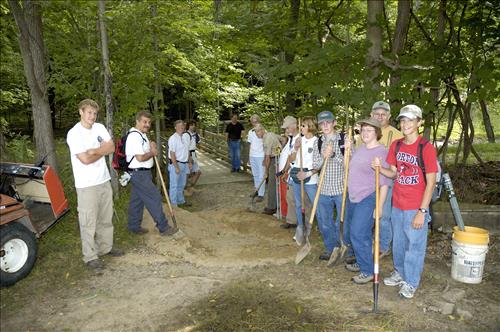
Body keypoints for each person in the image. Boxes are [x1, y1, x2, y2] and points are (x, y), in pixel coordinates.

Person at [374, 104, 438, 299]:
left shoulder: (426, 148)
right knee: (399, 244)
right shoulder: (397, 145)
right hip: (397, 204)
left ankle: (411, 281)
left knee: (414, 246)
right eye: (403, 120)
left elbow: (431, 183)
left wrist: (422, 210)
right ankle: (400, 272)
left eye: (410, 120)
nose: (405, 124)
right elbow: (393, 173)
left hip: (415, 206)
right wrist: (379, 168)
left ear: (419, 122)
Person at [66, 99, 123, 272]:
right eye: (89, 112)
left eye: (94, 113)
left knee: (105, 218)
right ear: (81, 112)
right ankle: (90, 256)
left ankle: (106, 247)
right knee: (88, 221)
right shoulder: (74, 133)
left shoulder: (99, 128)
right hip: (86, 185)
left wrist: (94, 151)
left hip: (103, 180)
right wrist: (100, 150)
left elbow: (111, 147)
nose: (92, 116)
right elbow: (84, 160)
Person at [343, 118, 389, 284]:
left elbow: (385, 183)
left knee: (358, 232)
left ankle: (368, 271)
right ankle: (363, 261)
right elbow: (348, 168)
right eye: (363, 130)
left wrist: (380, 206)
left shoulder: (381, 151)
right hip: (353, 196)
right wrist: (348, 151)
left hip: (368, 197)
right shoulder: (361, 149)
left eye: (369, 130)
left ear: (377, 132)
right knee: (353, 232)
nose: (365, 133)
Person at [126, 111, 178, 236]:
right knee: (154, 197)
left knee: (137, 200)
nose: (147, 124)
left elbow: (145, 149)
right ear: (137, 121)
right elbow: (140, 158)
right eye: (144, 122)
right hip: (139, 174)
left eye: (149, 122)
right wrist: (153, 153)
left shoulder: (142, 135)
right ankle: (163, 227)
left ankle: (133, 226)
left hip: (141, 173)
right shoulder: (134, 136)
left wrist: (152, 145)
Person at [370, 101, 403, 258]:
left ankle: (383, 245)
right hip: (367, 181)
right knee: (368, 213)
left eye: (383, 114)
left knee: (383, 215)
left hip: (387, 181)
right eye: (377, 114)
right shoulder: (366, 132)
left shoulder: (397, 135)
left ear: (389, 116)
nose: (380, 117)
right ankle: (371, 241)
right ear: (371, 115)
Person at [312, 111, 345, 261]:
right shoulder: (318, 142)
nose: (325, 125)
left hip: (340, 188)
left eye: (328, 122)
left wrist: (333, 155)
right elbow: (315, 165)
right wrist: (323, 158)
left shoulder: (344, 140)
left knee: (341, 222)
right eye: (322, 123)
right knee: (325, 222)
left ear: (334, 123)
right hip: (323, 188)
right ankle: (330, 248)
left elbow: (349, 164)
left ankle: (344, 247)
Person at [289, 117, 320, 245]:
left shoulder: (316, 142)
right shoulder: (298, 140)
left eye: (303, 126)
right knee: (298, 204)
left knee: (316, 203)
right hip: (297, 174)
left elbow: (318, 164)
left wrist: (307, 173)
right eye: (300, 126)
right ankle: (300, 227)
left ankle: (319, 226)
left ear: (310, 127)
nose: (300, 128)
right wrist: (296, 149)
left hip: (310, 177)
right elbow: (291, 159)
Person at [254, 124, 283, 215]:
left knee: (271, 184)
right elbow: (283, 139)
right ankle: (275, 205)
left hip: (275, 160)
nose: (256, 133)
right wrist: (280, 148)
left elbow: (267, 158)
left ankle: (271, 207)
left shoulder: (267, 139)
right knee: (274, 183)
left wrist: (266, 171)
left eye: (258, 131)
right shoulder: (270, 134)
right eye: (255, 131)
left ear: (263, 130)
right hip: (277, 157)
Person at [279, 116, 299, 229]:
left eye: (287, 127)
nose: (286, 130)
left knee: (296, 198)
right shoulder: (291, 139)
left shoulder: (298, 139)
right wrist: (284, 171)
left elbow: (293, 157)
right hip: (288, 172)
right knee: (290, 198)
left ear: (293, 125)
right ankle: (291, 220)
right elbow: (288, 156)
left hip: (295, 172)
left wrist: (286, 170)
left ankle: (299, 221)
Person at [168, 120, 192, 207]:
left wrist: (189, 162)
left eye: (182, 126)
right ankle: (174, 205)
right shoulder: (173, 138)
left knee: (182, 184)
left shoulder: (185, 137)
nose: (181, 127)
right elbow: (172, 153)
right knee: (174, 185)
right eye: (179, 126)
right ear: (175, 127)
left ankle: (181, 200)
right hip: (175, 164)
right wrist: (176, 167)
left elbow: (187, 151)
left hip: (184, 164)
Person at [247, 114, 265, 202]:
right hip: (252, 155)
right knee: (255, 175)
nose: (254, 123)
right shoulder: (250, 132)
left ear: (259, 121)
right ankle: (257, 190)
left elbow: (266, 145)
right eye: (253, 122)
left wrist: (266, 157)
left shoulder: (263, 131)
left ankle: (261, 194)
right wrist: (249, 157)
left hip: (261, 156)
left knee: (261, 175)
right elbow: (250, 144)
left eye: (256, 121)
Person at [185, 120, 202, 193]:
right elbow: (185, 147)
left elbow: (198, 144)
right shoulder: (186, 135)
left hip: (193, 154)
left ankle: (191, 187)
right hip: (188, 154)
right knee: (187, 173)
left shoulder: (195, 135)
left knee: (198, 172)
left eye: (194, 125)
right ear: (188, 126)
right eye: (191, 125)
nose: (193, 126)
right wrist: (189, 158)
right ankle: (185, 189)